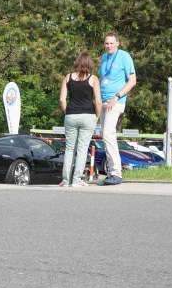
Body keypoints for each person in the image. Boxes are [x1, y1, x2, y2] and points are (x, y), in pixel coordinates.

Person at [97, 32, 137, 186]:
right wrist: (98, 100)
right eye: (106, 43)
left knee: (108, 134)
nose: (109, 46)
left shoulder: (124, 57)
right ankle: (111, 173)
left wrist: (116, 96)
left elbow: (132, 80)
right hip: (104, 102)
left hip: (116, 101)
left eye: (111, 43)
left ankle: (116, 173)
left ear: (118, 43)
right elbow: (102, 79)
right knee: (105, 137)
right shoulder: (104, 57)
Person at [59, 52, 102, 187]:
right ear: (89, 64)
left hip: (71, 115)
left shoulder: (68, 77)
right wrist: (97, 116)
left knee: (70, 148)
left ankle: (65, 181)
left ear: (77, 63)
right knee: (82, 149)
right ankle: (77, 180)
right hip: (88, 115)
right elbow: (99, 101)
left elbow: (61, 99)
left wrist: (68, 111)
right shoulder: (93, 78)